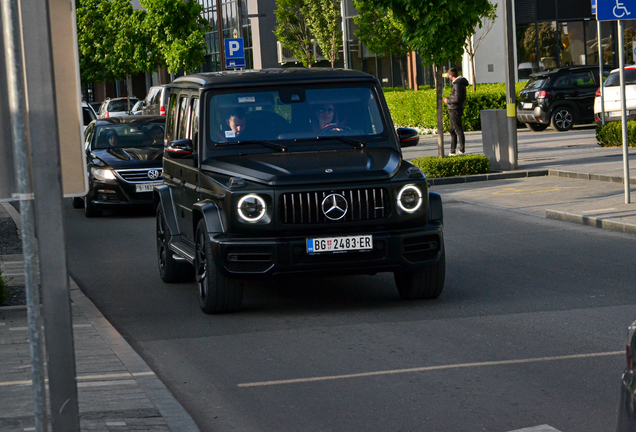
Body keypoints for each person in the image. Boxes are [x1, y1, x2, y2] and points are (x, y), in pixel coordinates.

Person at [443, 68, 468, 156]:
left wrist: (448, 101)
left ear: (451, 75)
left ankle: (461, 150)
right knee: (452, 130)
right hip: (454, 109)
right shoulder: (459, 84)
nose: (448, 77)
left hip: (455, 109)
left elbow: (457, 98)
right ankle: (452, 151)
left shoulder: (457, 84)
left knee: (457, 129)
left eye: (449, 75)